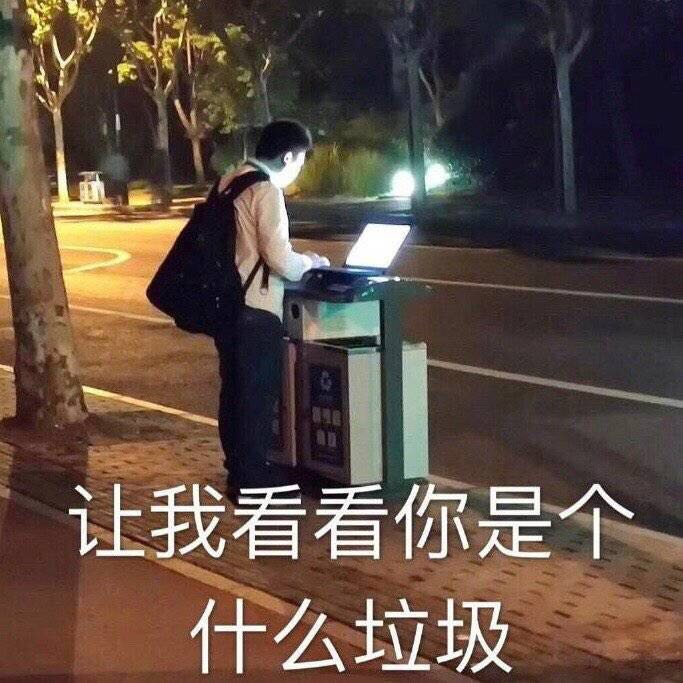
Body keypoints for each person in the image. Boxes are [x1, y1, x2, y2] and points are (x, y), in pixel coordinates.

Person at [215, 120, 328, 495]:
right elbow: (279, 258)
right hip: (256, 306)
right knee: (257, 394)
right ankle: (251, 477)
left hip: (226, 302)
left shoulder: (230, 180)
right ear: (289, 156)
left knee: (234, 390)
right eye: (301, 161)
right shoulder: (265, 190)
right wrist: (310, 263)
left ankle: (238, 468)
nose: (299, 169)